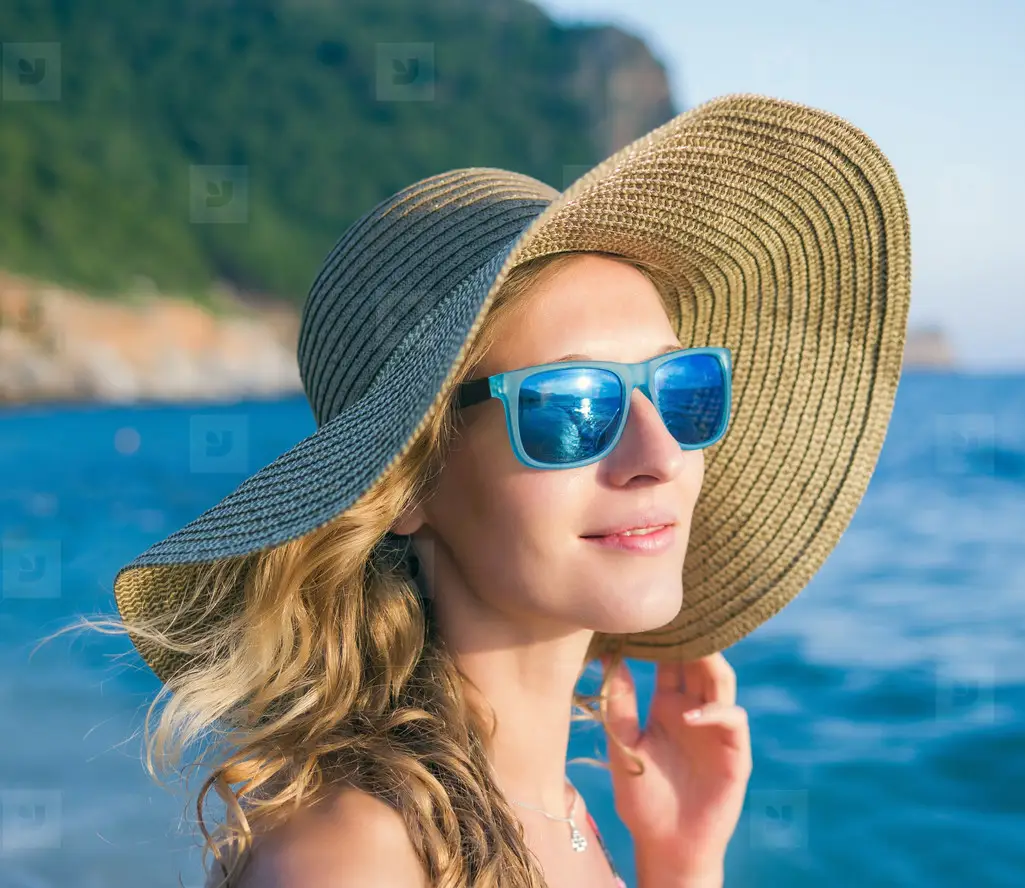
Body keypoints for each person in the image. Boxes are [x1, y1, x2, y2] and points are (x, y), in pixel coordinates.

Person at [76, 93, 912, 887]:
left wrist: (681, 860)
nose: (656, 453)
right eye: (572, 407)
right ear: (409, 485)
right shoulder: (360, 859)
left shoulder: (547, 814)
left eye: (682, 388)